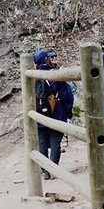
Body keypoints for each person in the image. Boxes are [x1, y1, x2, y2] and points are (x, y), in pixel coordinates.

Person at [33, 49, 74, 180]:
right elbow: (66, 95)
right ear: (46, 59)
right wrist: (68, 112)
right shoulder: (57, 75)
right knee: (55, 142)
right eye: (52, 57)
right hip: (57, 113)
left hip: (39, 114)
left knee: (43, 143)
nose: (55, 58)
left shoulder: (33, 76)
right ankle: (53, 170)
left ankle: (44, 171)